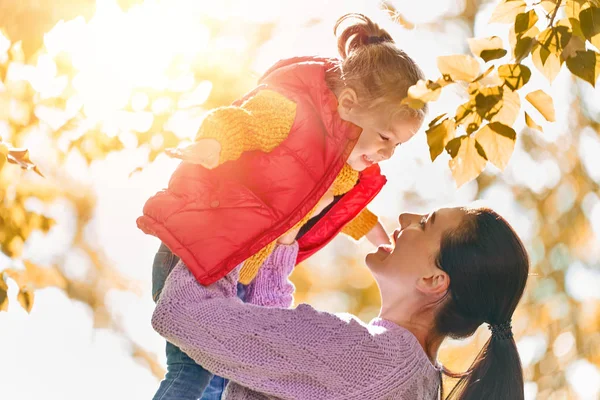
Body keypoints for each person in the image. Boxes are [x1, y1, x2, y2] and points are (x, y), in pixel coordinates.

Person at [139, 13, 428, 399]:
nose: (388, 153)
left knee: (221, 380)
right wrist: (213, 145)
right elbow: (240, 122)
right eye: (385, 137)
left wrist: (374, 233)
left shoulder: (341, 171)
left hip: (238, 274)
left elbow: (342, 208)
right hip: (198, 256)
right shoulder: (292, 112)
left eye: (397, 147)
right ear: (348, 103)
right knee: (191, 374)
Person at [152, 206, 529, 399]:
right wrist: (282, 242)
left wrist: (236, 230)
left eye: (426, 223)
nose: (405, 217)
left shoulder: (372, 360)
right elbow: (275, 360)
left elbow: (184, 314)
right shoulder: (415, 383)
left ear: (434, 280)